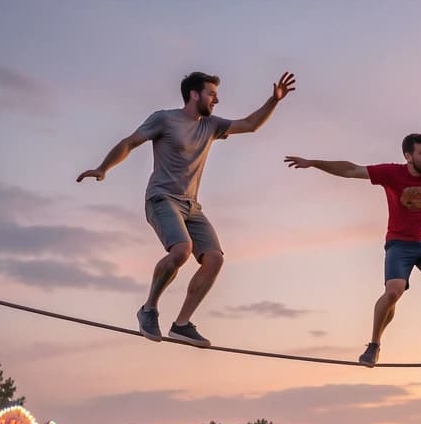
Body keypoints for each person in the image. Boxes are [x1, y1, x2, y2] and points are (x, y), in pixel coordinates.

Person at [78, 69, 295, 348]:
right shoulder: (164, 119)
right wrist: (103, 168)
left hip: (192, 207)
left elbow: (251, 124)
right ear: (195, 95)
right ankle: (148, 309)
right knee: (182, 250)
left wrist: (274, 100)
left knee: (215, 258)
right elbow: (129, 142)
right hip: (162, 198)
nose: (216, 100)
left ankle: (181, 325)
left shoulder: (212, 125)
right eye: (212, 94)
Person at [285, 114, 421, 366]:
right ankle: (373, 345)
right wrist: (313, 162)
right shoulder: (391, 173)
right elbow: (350, 169)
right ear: (408, 156)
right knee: (393, 291)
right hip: (399, 245)